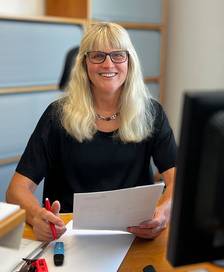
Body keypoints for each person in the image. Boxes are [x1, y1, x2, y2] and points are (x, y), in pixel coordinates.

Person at [6, 22, 176, 241]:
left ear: (130, 61)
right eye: (98, 56)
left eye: (117, 55)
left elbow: (177, 178)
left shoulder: (151, 112)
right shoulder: (57, 115)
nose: (108, 64)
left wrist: (162, 213)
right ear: (84, 63)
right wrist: (37, 215)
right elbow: (16, 190)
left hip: (134, 236)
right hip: (69, 237)